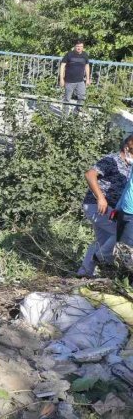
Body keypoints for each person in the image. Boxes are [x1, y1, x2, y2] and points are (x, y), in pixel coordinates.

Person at [77, 136, 133, 276]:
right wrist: (100, 197)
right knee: (121, 233)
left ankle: (84, 272)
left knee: (102, 241)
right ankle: (101, 258)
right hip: (97, 205)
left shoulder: (129, 166)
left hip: (111, 209)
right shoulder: (111, 160)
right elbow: (90, 175)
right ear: (126, 147)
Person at [59, 40, 91, 114]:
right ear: (74, 47)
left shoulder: (85, 55)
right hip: (69, 81)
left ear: (83, 47)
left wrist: (88, 79)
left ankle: (76, 112)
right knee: (67, 99)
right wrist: (61, 79)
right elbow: (62, 66)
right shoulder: (69, 54)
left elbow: (87, 66)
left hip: (80, 81)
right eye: (78, 46)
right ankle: (65, 116)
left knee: (82, 97)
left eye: (81, 46)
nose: (79, 48)